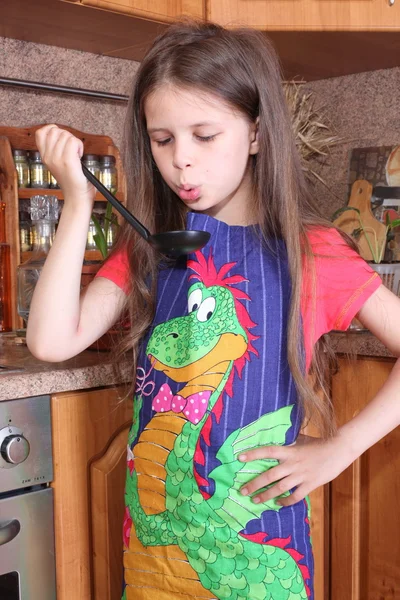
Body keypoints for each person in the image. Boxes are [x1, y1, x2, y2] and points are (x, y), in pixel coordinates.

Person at [28, 21, 400, 600]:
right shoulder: (151, 244)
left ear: (255, 133)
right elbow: (52, 341)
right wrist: (76, 204)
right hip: (152, 549)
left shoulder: (312, 252)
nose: (182, 163)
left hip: (257, 546)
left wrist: (341, 448)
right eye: (162, 139)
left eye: (205, 135)